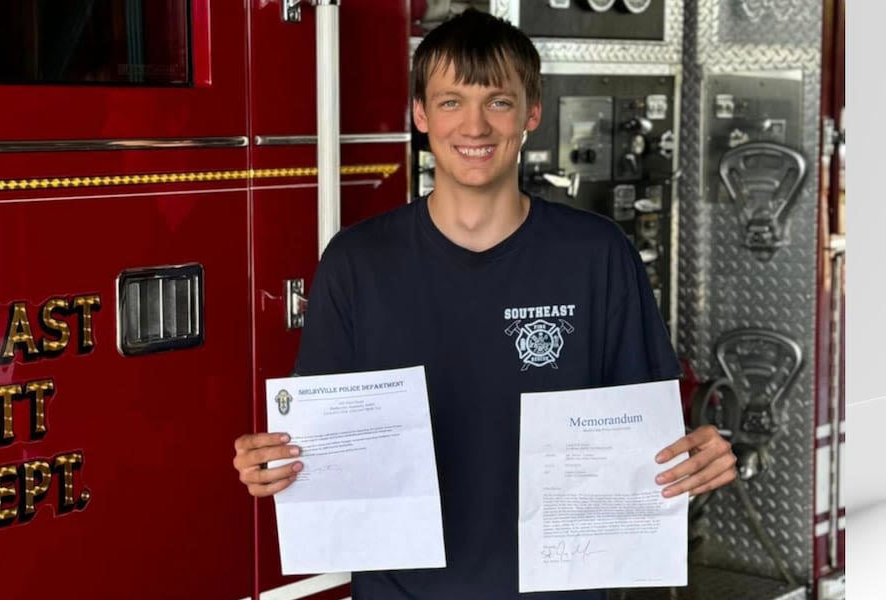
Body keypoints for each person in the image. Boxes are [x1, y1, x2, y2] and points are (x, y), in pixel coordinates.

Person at [232, 9, 736, 599]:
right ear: (420, 115)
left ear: (532, 113)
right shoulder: (356, 262)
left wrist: (696, 457)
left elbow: (649, 438)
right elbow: (320, 444)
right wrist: (273, 463)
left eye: (498, 101)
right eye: (450, 102)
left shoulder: (597, 255)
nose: (474, 126)